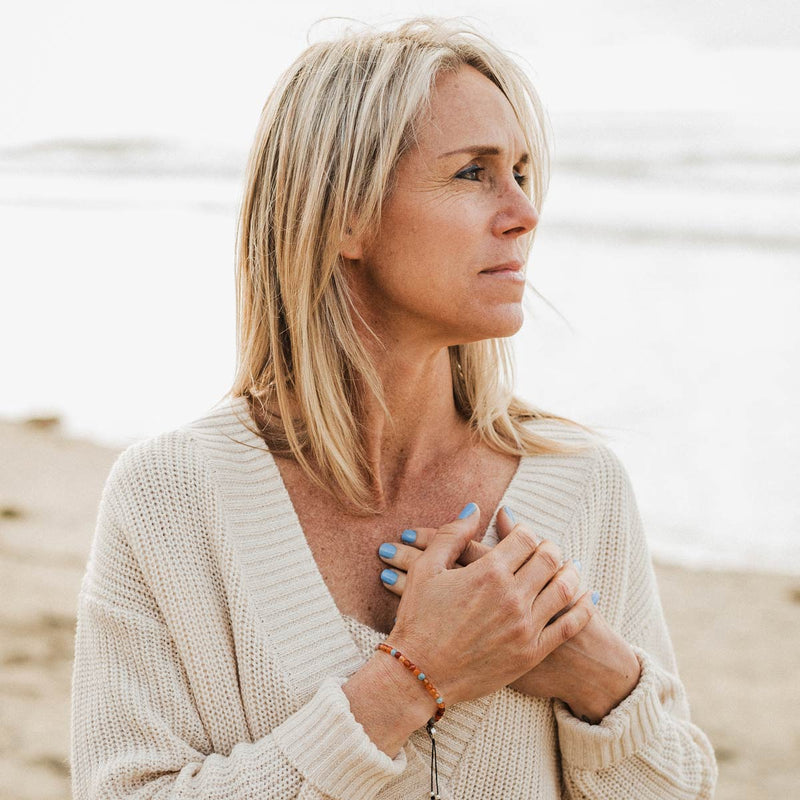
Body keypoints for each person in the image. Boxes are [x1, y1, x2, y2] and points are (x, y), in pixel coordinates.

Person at [70, 17, 718, 799]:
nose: (523, 210)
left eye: (521, 170)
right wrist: (410, 681)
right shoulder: (169, 498)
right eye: (473, 174)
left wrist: (600, 678)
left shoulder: (581, 484)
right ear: (344, 214)